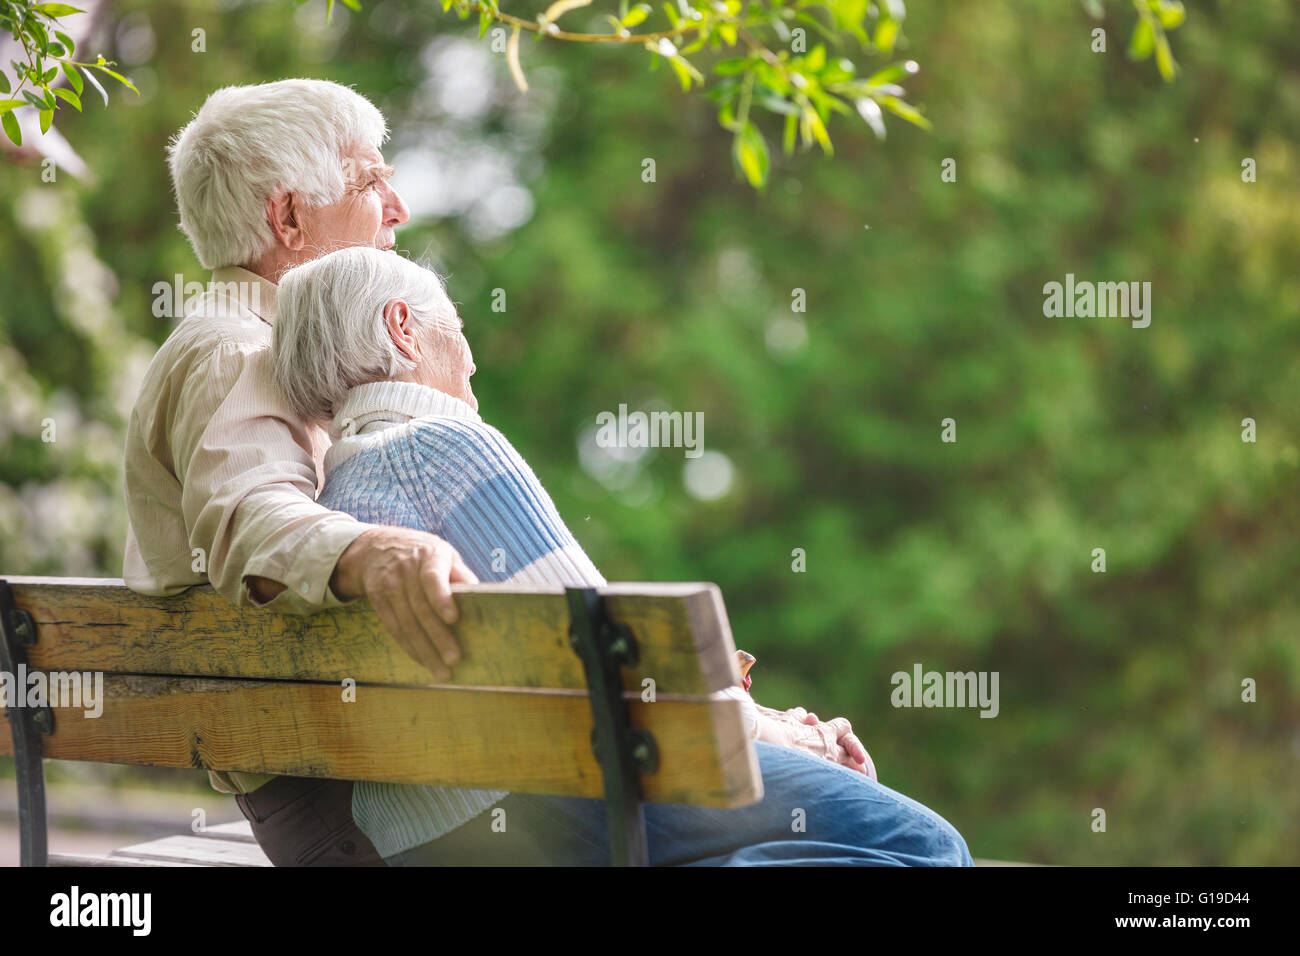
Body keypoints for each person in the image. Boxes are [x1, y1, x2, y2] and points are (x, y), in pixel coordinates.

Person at [267, 245, 973, 866]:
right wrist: (796, 737)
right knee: (928, 846)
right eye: (457, 328)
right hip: (551, 807)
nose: (473, 357)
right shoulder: (441, 447)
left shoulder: (334, 499)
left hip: (418, 839)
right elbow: (624, 670)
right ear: (403, 329)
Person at [123, 79, 476, 864]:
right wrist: (374, 552)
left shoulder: (277, 350)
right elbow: (250, 519)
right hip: (346, 804)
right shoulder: (236, 351)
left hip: (364, 772)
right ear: (288, 217)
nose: (399, 208)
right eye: (370, 181)